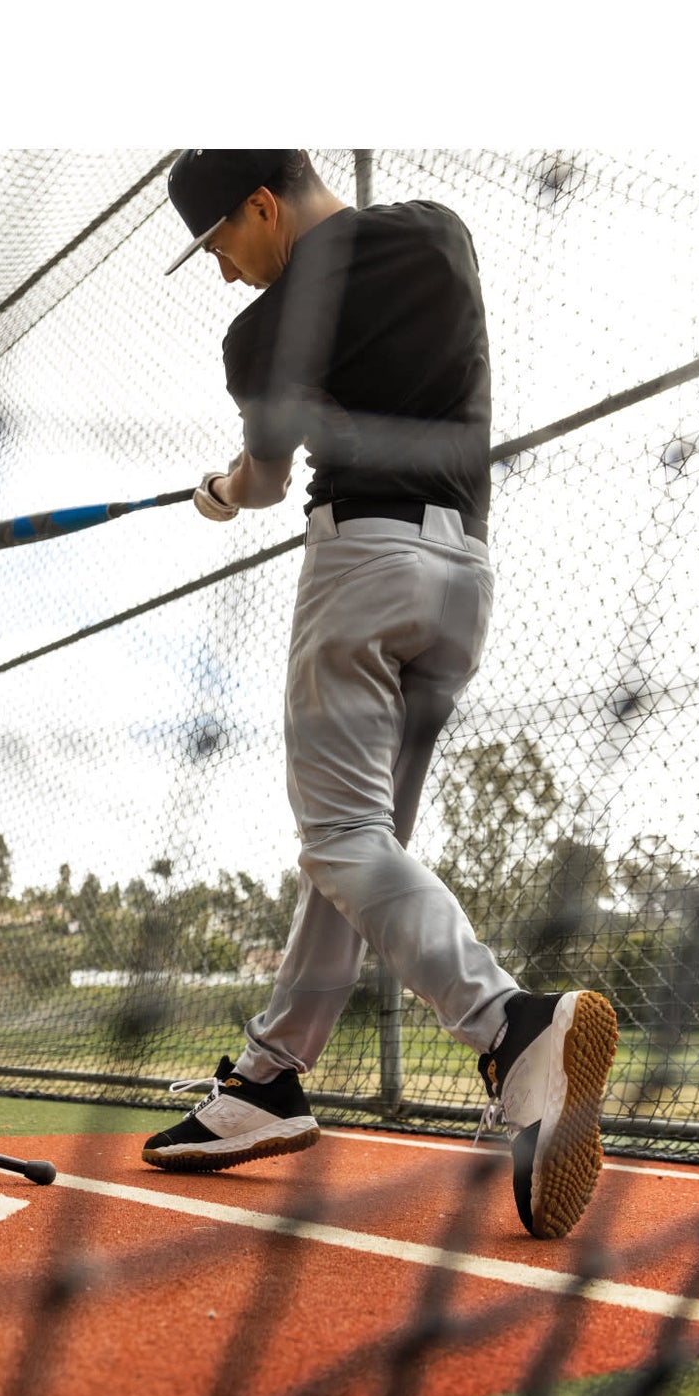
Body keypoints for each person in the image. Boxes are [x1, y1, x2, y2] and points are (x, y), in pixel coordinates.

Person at [139, 149, 618, 1241]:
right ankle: (268, 1080)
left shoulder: (258, 331)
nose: (222, 273)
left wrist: (221, 494)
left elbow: (262, 481)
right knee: (363, 850)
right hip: (461, 581)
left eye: (218, 243)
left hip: (362, 565)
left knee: (340, 838)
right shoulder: (437, 233)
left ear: (259, 205)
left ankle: (510, 1024)